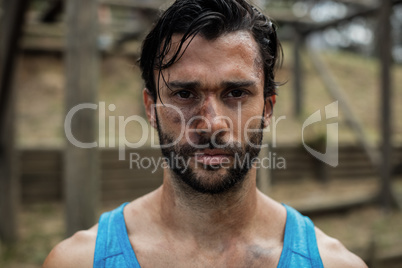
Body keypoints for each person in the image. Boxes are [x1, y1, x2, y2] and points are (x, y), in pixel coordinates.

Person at [44, 0, 368, 267]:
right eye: (185, 94)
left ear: (268, 109)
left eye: (236, 93)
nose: (212, 124)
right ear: (150, 108)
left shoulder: (334, 263)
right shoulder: (77, 261)